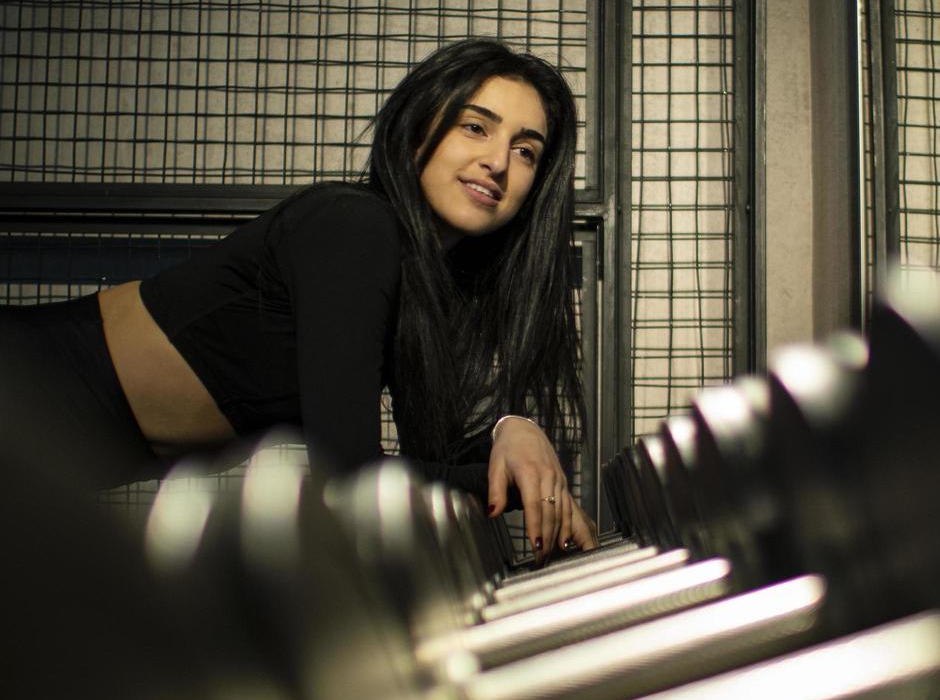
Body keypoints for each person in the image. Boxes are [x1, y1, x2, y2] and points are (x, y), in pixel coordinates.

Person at [0, 38, 596, 558]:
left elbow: (427, 455)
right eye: (475, 126)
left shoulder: (424, 288)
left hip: (49, 460)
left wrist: (510, 431)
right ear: (418, 131)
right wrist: (511, 484)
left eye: (525, 150)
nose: (497, 161)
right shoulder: (354, 228)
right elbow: (352, 481)